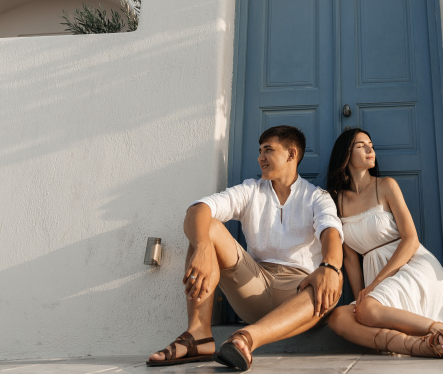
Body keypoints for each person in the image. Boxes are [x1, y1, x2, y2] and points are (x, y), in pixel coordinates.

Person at [147, 125, 344, 371]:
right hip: (255, 285)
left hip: (300, 293)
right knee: (206, 228)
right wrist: (203, 247)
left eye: (268, 150)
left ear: (291, 154)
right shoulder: (251, 190)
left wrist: (329, 266)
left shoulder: (316, 197)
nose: (260, 157)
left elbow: (331, 233)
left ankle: (246, 339)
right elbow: (198, 209)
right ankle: (198, 335)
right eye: (259, 151)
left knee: (333, 275)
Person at [325, 127, 443, 359]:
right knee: (338, 318)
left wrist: (376, 283)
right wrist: (360, 300)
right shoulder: (337, 200)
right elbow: (350, 258)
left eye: (371, 145)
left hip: (410, 265)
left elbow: (411, 239)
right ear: (345, 154)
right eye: (361, 145)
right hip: (376, 279)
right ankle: (417, 345)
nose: (370, 149)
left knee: (367, 309)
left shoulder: (385, 185)